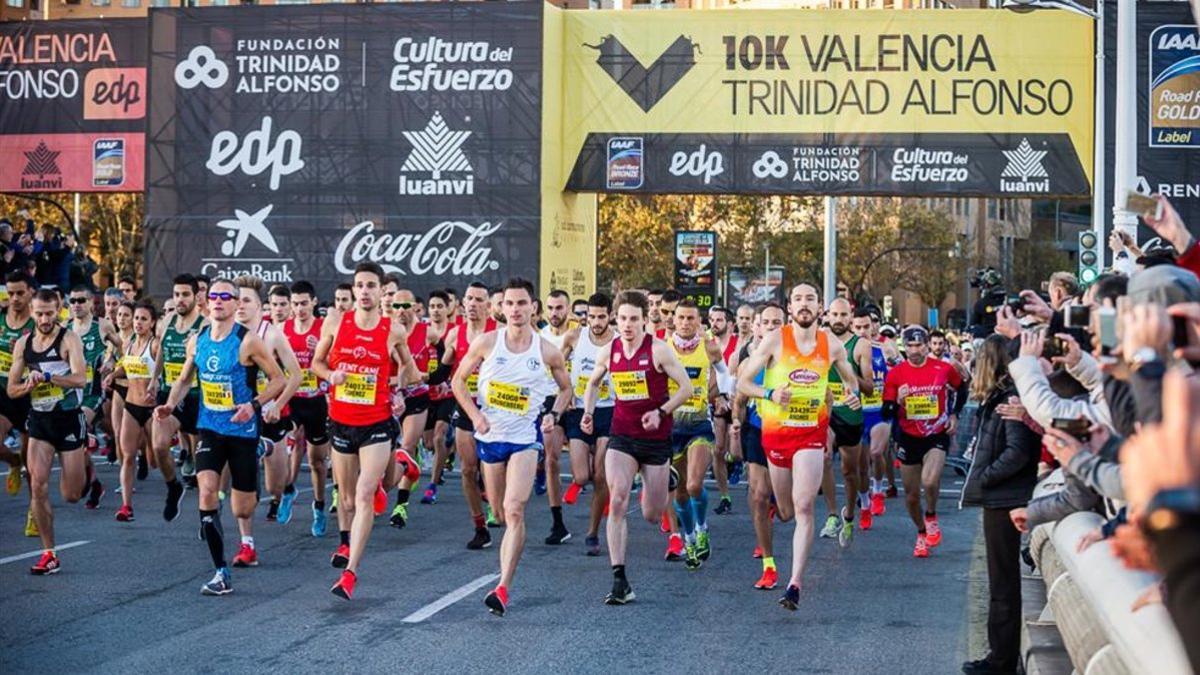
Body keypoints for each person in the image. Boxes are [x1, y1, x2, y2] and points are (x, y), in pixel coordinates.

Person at [154, 277, 285, 596]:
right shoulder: (197, 340)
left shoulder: (248, 341)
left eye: (227, 297)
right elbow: (185, 379)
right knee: (207, 490)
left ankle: (258, 451)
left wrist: (253, 406)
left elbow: (278, 380)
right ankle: (220, 572)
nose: (220, 301)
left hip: (242, 431)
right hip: (210, 427)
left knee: (243, 507)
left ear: (235, 303)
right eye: (215, 296)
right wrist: (170, 404)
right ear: (206, 301)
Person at [736, 283, 861, 610]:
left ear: (819, 306)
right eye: (798, 299)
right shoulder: (776, 340)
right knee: (788, 512)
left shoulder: (830, 343)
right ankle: (782, 507)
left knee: (805, 506)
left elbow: (851, 378)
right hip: (776, 436)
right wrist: (770, 394)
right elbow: (743, 382)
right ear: (790, 307)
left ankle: (794, 585)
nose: (804, 305)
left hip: (811, 434)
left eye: (810, 299)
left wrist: (851, 392)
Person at [451, 277, 572, 616]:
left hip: (524, 439)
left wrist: (554, 414)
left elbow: (566, 389)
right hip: (490, 438)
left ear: (534, 307)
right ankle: (505, 554)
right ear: (500, 308)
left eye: (522, 303)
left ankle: (503, 586)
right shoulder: (488, 342)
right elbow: (458, 381)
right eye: (510, 304)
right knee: (502, 514)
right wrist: (474, 415)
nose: (516, 310)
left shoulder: (546, 350)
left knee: (515, 508)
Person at [581, 290, 695, 605]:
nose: (628, 325)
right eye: (623, 319)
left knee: (650, 513)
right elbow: (592, 383)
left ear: (645, 320)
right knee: (617, 498)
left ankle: (667, 478)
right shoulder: (610, 350)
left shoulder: (659, 350)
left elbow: (686, 388)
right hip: (622, 436)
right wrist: (588, 413)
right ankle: (620, 580)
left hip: (656, 440)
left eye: (634, 319)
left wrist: (661, 412)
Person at [312, 262, 417, 600]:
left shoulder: (392, 330)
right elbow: (316, 363)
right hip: (342, 421)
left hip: (376, 421)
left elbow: (411, 372)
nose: (366, 291)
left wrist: (394, 386)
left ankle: (351, 573)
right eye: (361, 285)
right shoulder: (335, 322)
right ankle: (403, 465)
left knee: (364, 492)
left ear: (379, 290)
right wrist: (331, 377)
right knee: (345, 498)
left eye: (372, 285)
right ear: (354, 290)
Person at [960, 334, 1041, 675]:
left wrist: (987, 477)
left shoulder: (1008, 399)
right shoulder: (999, 398)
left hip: (1005, 499)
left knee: (1003, 584)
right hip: (1001, 497)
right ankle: (999, 656)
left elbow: (1018, 452)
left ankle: (1002, 661)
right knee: (1000, 583)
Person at [9, 289, 90, 574]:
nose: (44, 319)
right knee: (38, 485)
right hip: (41, 421)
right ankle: (49, 553)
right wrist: (28, 386)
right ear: (31, 312)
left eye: (49, 313)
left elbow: (80, 379)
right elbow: (12, 389)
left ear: (59, 311)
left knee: (71, 495)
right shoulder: (23, 344)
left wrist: (47, 377)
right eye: (39, 313)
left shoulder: (69, 339)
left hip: (68, 420)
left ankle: (83, 469)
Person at [232, 276, 301, 566]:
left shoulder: (271, 335)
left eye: (247, 300)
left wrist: (279, 404)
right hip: (239, 415)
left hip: (271, 413)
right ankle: (247, 544)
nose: (240, 306)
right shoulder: (226, 334)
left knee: (274, 487)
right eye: (238, 300)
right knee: (242, 483)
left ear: (260, 306)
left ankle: (275, 459)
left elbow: (295, 375)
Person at [883, 325, 967, 558]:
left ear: (928, 345)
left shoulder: (942, 368)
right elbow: (886, 412)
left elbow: (962, 389)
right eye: (909, 345)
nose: (914, 350)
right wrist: (898, 401)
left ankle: (931, 515)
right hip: (908, 437)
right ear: (903, 346)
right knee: (910, 496)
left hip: (936, 434)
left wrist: (954, 414)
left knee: (929, 481)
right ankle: (921, 532)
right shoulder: (896, 373)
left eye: (919, 345)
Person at [666, 298, 731, 567]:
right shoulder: (664, 348)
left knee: (694, 484)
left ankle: (702, 529)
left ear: (699, 321)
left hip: (700, 425)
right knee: (680, 492)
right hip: (672, 427)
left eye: (691, 318)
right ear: (674, 320)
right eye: (681, 318)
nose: (685, 323)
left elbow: (724, 373)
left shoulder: (709, 347)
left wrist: (721, 395)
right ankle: (689, 537)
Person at [731, 302, 786, 589]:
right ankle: (769, 564)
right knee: (758, 493)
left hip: (788, 435)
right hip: (756, 430)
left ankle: (780, 504)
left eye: (778, 323)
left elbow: (823, 396)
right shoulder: (748, 363)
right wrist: (736, 423)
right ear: (758, 327)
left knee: (787, 511)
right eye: (767, 323)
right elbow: (739, 399)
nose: (772, 328)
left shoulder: (796, 362)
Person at [440, 281, 497, 549]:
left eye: (479, 299)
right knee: (467, 469)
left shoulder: (499, 333)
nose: (473, 304)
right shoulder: (454, 335)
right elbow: (441, 373)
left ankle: (495, 499)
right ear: (462, 303)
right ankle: (479, 527)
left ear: (488, 305)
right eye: (469, 299)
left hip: (497, 409)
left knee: (491, 468)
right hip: (466, 407)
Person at [560, 292, 616, 556]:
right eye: (591, 316)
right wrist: (565, 391)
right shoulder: (574, 336)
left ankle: (593, 532)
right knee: (582, 476)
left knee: (601, 476)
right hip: (579, 410)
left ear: (610, 315)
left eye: (601, 316)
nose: (595, 322)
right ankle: (579, 483)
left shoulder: (618, 340)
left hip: (609, 411)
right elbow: (556, 365)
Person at [104, 302, 170, 522]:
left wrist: (155, 381)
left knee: (154, 460)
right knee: (128, 456)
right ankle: (126, 506)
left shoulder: (155, 345)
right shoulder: (129, 343)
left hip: (151, 409)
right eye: (136, 319)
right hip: (132, 407)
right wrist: (113, 375)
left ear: (152, 323)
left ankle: (172, 484)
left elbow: (162, 366)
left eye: (143, 319)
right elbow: (127, 365)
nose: (138, 323)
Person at [150, 274, 206, 522]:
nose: (180, 299)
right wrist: (154, 378)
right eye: (177, 295)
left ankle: (208, 515)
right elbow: (161, 350)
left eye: (185, 295)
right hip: (170, 393)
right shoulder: (169, 321)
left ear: (196, 297)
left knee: (205, 468)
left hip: (199, 396)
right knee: (159, 445)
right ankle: (173, 486)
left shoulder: (205, 325)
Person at [823, 298, 875, 543]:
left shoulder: (861, 345)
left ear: (850, 317)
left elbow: (868, 387)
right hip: (825, 411)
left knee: (849, 471)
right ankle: (833, 514)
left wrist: (848, 374)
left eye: (844, 315)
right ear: (827, 315)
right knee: (823, 457)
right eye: (835, 314)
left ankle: (850, 515)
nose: (839, 320)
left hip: (851, 414)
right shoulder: (819, 340)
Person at [282, 280, 330, 537]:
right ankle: (288, 488)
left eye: (303, 303)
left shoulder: (324, 330)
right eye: (295, 304)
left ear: (313, 302)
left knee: (317, 461)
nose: (299, 309)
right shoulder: (284, 329)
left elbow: (336, 362)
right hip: (292, 398)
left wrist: (320, 352)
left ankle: (319, 505)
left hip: (316, 400)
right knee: (291, 440)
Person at [538, 289, 573, 545]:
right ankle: (557, 521)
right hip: (552, 400)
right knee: (551, 459)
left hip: (581, 400)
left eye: (559, 308)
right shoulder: (540, 338)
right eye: (550, 308)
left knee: (592, 471)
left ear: (568, 309)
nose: (554, 313)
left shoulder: (579, 334)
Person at [0, 270, 34, 504]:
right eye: (10, 293)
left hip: (28, 394)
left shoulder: (38, 322)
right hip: (2, 389)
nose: (15, 298)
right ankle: (13, 462)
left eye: (20, 293)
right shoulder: (1, 318)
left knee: (31, 458)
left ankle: (35, 509)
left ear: (31, 292)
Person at [708, 304, 738, 514]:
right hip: (718, 401)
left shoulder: (737, 345)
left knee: (735, 453)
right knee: (717, 450)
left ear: (729, 324)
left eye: (719, 320)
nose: (714, 323)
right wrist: (715, 396)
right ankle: (725, 496)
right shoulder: (708, 346)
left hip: (738, 401)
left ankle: (736, 462)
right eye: (712, 319)